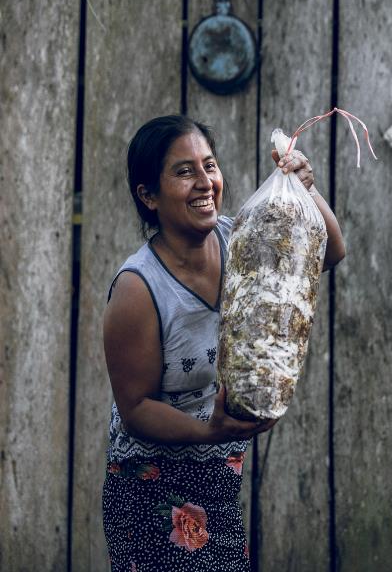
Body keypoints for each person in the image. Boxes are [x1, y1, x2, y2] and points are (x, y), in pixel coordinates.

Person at [102, 114, 345, 571]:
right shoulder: (139, 288)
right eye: (184, 171)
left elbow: (328, 252)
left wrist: (305, 188)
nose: (204, 182)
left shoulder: (243, 238)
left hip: (218, 472)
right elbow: (135, 412)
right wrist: (210, 432)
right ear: (148, 196)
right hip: (150, 485)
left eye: (209, 165)